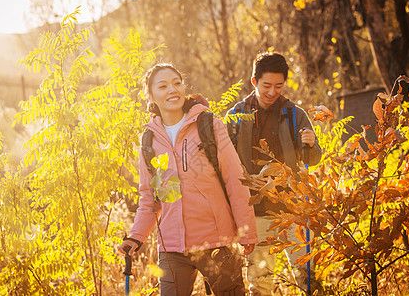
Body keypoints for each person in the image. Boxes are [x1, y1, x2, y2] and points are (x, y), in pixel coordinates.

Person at [119, 63, 258, 296]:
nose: (172, 90)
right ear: (151, 96)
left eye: (177, 83)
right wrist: (136, 236)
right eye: (163, 86)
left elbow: (235, 179)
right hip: (172, 248)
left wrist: (246, 230)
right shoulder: (148, 141)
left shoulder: (209, 125)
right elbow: (149, 198)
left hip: (216, 240)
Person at [226, 52, 322, 295]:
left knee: (307, 275)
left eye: (279, 86)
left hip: (292, 208)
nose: (272, 92)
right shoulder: (236, 116)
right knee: (259, 282)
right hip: (254, 212)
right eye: (266, 85)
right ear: (254, 81)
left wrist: (312, 145)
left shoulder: (295, 114)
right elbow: (223, 164)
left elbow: (312, 159)